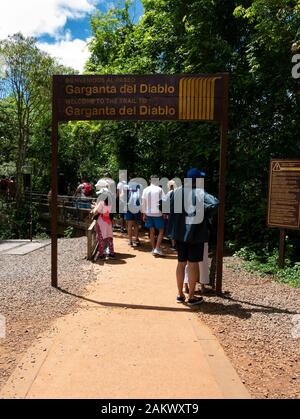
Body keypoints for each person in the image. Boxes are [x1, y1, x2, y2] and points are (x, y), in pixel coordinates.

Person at [169, 168, 218, 306]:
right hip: (196, 234)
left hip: (179, 234)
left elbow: (163, 205)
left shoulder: (176, 192)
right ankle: (191, 297)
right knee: (193, 264)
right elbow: (215, 203)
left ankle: (180, 294)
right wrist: (202, 213)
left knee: (181, 263)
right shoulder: (200, 193)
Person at [142, 175, 165, 256]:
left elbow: (143, 203)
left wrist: (144, 214)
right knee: (161, 230)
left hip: (148, 213)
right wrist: (165, 213)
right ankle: (157, 248)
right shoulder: (160, 189)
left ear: (150, 180)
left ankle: (153, 248)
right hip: (158, 212)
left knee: (151, 231)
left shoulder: (145, 190)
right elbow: (163, 202)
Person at [92, 185, 115, 259]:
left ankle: (101, 254)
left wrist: (94, 207)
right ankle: (111, 253)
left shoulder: (101, 202)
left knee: (101, 238)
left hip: (101, 221)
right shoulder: (110, 202)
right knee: (109, 237)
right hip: (108, 221)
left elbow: (95, 212)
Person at [125, 173, 142, 247]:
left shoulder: (127, 186)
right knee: (136, 224)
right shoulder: (140, 185)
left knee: (130, 224)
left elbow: (123, 197)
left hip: (129, 206)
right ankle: (136, 239)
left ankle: (130, 241)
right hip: (137, 206)